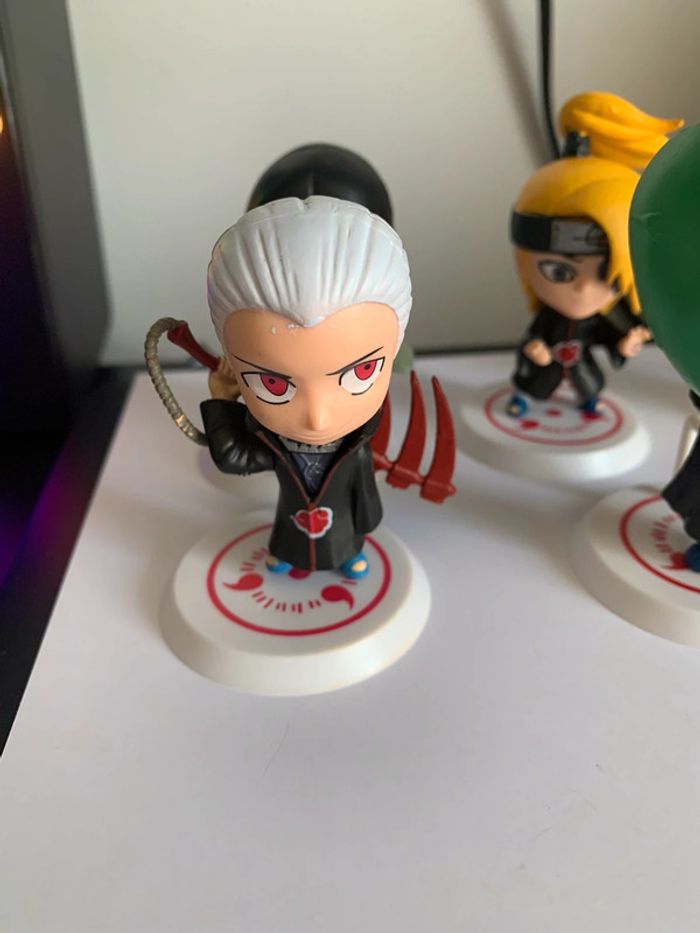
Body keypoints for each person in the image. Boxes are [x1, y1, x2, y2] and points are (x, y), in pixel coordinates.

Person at [201, 195, 411, 579]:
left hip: (344, 525)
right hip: (290, 524)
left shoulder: (357, 443)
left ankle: (347, 553)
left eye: (362, 371)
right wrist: (223, 398)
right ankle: (288, 553)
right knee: (290, 538)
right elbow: (235, 458)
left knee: (343, 536)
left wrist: (367, 518)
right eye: (272, 383)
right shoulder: (271, 440)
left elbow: (363, 488)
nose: (317, 418)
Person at [506, 92, 682, 418]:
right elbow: (534, 334)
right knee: (535, 381)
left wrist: (623, 344)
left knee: (588, 382)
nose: (585, 288)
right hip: (548, 365)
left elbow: (607, 337)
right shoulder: (549, 318)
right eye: (560, 271)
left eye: (609, 275)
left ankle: (586, 399)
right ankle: (523, 398)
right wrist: (533, 347)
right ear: (523, 258)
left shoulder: (597, 319)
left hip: (579, 364)